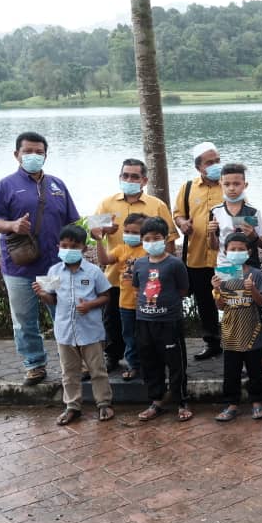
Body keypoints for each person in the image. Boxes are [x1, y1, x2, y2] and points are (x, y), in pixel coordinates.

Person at [0, 131, 81, 386]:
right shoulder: (4, 186)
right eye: (28, 151)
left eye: (39, 152)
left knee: (63, 314)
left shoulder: (57, 185)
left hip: (54, 267)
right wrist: (13, 225)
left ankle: (73, 363)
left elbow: (72, 221)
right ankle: (34, 364)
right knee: (24, 320)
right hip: (18, 267)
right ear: (17, 154)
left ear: (46, 155)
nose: (33, 156)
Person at [90, 158, 177, 372]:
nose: (129, 179)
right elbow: (94, 234)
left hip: (148, 278)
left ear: (144, 180)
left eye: (134, 176)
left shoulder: (157, 205)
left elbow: (170, 240)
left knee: (144, 323)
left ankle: (147, 360)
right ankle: (113, 356)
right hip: (114, 275)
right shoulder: (106, 204)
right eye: (125, 175)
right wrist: (103, 231)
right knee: (114, 321)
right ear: (120, 177)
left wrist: (166, 272)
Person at [32, 224, 114, 425]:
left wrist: (91, 305)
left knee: (97, 370)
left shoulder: (93, 272)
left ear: (84, 249)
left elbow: (106, 296)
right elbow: (53, 299)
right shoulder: (55, 270)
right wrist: (43, 295)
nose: (68, 249)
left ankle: (104, 404)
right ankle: (72, 407)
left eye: (74, 246)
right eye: (64, 245)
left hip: (91, 332)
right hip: (65, 332)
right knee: (69, 372)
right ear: (59, 246)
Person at [206, 163, 262, 377]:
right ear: (221, 184)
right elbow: (213, 246)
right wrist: (210, 233)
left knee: (255, 312)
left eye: (237, 183)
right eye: (227, 184)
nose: (232, 188)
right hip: (226, 268)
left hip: (249, 265)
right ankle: (240, 356)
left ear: (245, 184)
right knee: (232, 311)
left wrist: (253, 235)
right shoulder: (215, 211)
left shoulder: (252, 211)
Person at [132, 217, 193, 422]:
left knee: (176, 363)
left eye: (156, 238)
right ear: (142, 240)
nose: (152, 242)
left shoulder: (175, 264)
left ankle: (181, 401)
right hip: (144, 321)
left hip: (169, 322)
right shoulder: (139, 264)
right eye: (147, 238)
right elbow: (136, 289)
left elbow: (183, 290)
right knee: (150, 363)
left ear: (165, 238)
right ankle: (156, 401)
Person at [173, 142, 224, 361]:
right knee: (204, 301)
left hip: (225, 256)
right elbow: (177, 214)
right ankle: (212, 342)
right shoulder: (187, 188)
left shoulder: (229, 183)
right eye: (209, 162)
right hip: (197, 256)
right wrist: (182, 223)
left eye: (217, 161)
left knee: (232, 297)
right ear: (199, 167)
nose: (215, 166)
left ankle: (237, 341)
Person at [212, 233, 262, 421]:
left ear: (249, 251)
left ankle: (257, 403)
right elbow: (221, 306)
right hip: (230, 331)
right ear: (225, 251)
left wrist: (252, 288)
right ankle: (232, 404)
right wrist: (217, 290)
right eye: (232, 250)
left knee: (255, 370)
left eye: (241, 250)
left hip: (252, 330)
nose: (236, 253)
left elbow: (261, 303)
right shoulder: (222, 274)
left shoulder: (256, 273)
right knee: (231, 370)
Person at [96, 213, 148, 381]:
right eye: (127, 231)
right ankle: (133, 365)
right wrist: (98, 240)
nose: (130, 235)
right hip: (125, 304)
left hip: (146, 303)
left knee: (147, 335)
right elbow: (104, 260)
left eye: (135, 232)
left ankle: (150, 364)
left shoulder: (147, 250)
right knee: (129, 335)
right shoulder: (121, 249)